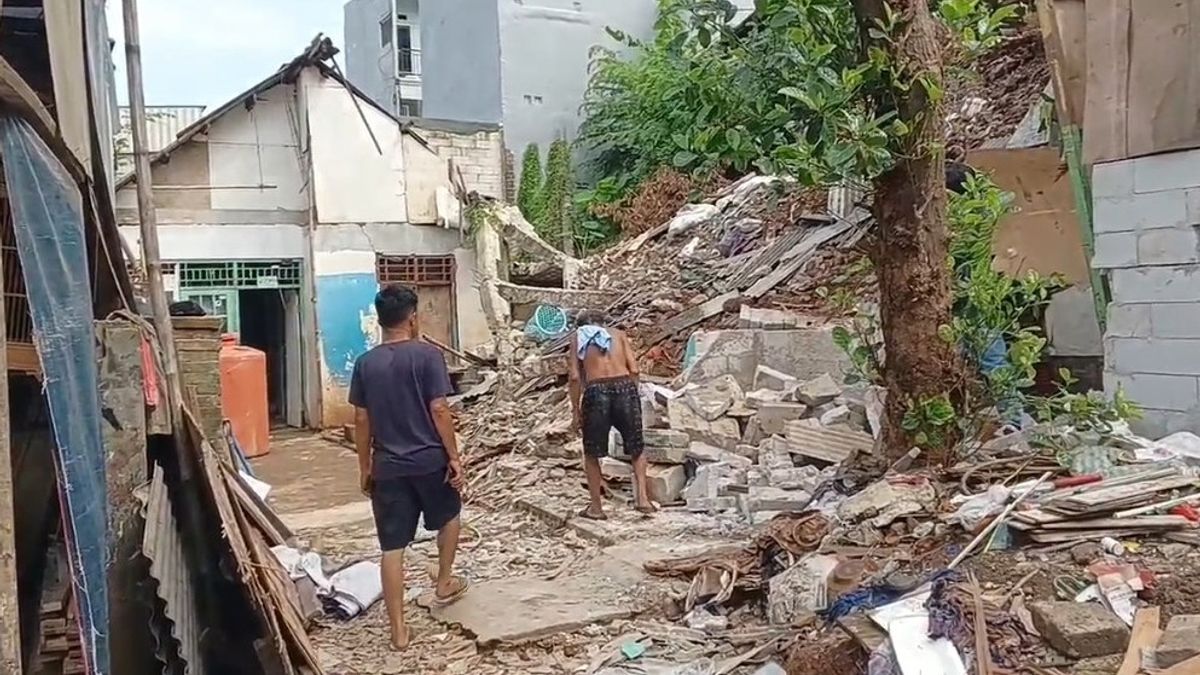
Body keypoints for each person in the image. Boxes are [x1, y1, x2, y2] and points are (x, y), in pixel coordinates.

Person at [349, 284, 469, 651]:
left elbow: (361, 419)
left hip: (387, 465)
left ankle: (398, 631)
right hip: (430, 460)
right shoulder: (427, 356)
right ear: (413, 317)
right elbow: (439, 409)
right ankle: (445, 580)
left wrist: (365, 466)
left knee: (392, 547)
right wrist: (453, 455)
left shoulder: (366, 363)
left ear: (380, 320)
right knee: (450, 516)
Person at [567, 310, 653, 518]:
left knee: (591, 452)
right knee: (636, 446)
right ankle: (643, 499)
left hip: (596, 391)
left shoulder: (578, 337)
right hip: (625, 386)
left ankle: (596, 508)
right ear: (603, 323)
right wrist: (633, 393)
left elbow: (575, 377)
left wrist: (576, 412)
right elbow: (634, 369)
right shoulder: (618, 334)